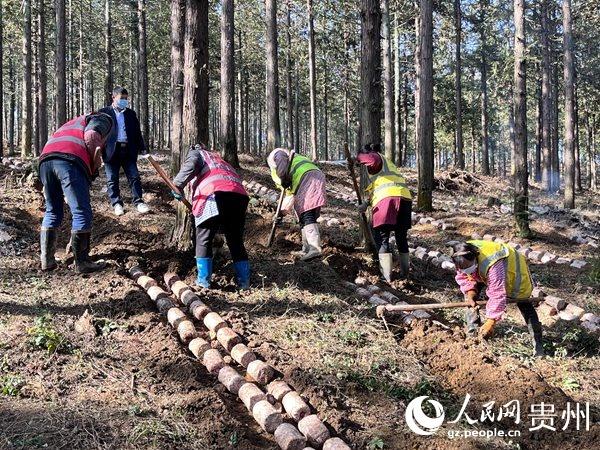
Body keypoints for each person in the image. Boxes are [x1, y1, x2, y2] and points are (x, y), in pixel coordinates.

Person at [39, 112, 114, 273]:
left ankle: (47, 261)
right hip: (69, 161)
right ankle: (82, 262)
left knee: (52, 210)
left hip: (46, 160)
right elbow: (92, 136)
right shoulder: (105, 118)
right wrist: (94, 166)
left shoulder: (75, 121)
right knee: (81, 211)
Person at [171, 144, 250, 289]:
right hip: (239, 196)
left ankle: (203, 282)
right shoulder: (219, 160)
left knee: (204, 238)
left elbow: (191, 164)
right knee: (235, 241)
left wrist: (177, 184)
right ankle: (244, 283)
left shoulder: (198, 153)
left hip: (213, 194)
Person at [450, 240, 544, 357]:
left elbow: (497, 293)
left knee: (523, 302)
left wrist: (491, 320)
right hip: (480, 270)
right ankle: (473, 336)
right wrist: (470, 293)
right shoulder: (460, 253)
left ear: (475, 257)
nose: (464, 270)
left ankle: (538, 346)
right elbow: (463, 276)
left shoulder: (493, 262)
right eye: (462, 268)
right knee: (470, 302)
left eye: (467, 267)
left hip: (513, 271)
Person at [355, 143, 412, 282]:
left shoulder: (376, 157)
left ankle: (386, 277)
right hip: (404, 198)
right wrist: (366, 204)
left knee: (382, 237)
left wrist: (356, 158)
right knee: (401, 237)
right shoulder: (387, 165)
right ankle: (405, 274)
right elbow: (379, 187)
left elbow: (372, 159)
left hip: (388, 201)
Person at [267, 148, 327, 260]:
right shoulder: (285, 170)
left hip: (307, 176)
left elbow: (280, 161)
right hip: (311, 176)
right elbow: (289, 197)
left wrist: (283, 177)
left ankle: (315, 248)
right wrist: (280, 213)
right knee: (302, 214)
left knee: (307, 211)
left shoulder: (276, 154)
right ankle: (307, 249)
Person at [100, 86, 150, 216]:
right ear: (114, 97)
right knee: (112, 179)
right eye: (121, 98)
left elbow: (137, 132)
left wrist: (142, 147)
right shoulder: (104, 112)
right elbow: (98, 132)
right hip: (111, 151)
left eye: (126, 98)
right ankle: (116, 203)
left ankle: (138, 202)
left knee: (134, 177)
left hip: (128, 150)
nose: (124, 101)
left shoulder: (130, 114)